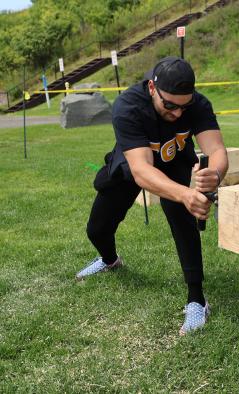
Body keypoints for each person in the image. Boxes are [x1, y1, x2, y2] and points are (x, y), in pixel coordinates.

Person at [76, 56, 229, 336]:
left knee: (183, 222)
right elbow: (142, 171)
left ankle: (197, 299)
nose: (178, 113)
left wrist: (215, 174)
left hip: (174, 162)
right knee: (96, 229)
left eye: (185, 106)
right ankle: (109, 260)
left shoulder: (197, 104)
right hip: (134, 163)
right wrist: (185, 193)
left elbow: (217, 149)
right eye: (169, 105)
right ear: (151, 89)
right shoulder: (128, 105)